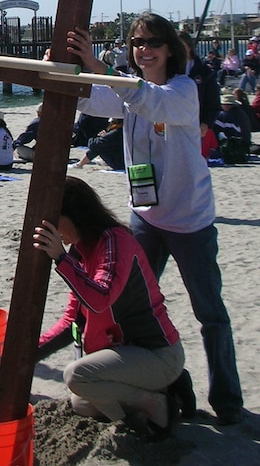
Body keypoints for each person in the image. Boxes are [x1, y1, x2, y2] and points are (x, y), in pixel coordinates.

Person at [65, 12, 243, 425]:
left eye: (152, 43)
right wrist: (70, 69)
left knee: (210, 312)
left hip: (189, 221)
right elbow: (93, 98)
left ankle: (228, 401)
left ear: (169, 50)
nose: (143, 50)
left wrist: (100, 66)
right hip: (145, 216)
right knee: (129, 308)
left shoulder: (182, 90)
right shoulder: (130, 91)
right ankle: (162, 384)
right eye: (137, 43)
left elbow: (147, 98)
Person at [33, 177, 187, 439]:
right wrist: (29, 351)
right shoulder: (80, 251)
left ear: (75, 215)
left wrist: (61, 258)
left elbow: (100, 298)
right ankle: (167, 390)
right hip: (124, 355)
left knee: (77, 376)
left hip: (156, 353)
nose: (56, 232)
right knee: (79, 402)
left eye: (57, 221)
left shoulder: (115, 242)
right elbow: (74, 320)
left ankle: (157, 405)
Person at [177, 31, 221, 157]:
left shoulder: (204, 71)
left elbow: (213, 101)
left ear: (189, 47)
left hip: (197, 125)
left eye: (181, 46)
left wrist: (206, 123)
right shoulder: (168, 70)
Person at [212, 93, 252, 164]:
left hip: (237, 145)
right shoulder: (240, 113)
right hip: (244, 143)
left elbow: (230, 134)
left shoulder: (227, 116)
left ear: (226, 105)